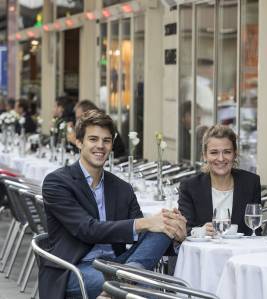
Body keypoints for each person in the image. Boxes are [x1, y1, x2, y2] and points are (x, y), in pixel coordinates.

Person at [41, 110, 187, 299]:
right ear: (79, 142)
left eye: (106, 140)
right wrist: (146, 223)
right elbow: (87, 229)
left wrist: (175, 235)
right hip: (75, 269)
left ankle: (127, 278)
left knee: (162, 227)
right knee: (146, 292)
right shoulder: (57, 182)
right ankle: (128, 280)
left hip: (119, 263)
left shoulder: (121, 188)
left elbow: (141, 240)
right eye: (93, 139)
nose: (100, 146)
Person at [178, 124, 261, 236]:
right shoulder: (190, 186)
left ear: (235, 154)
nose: (221, 158)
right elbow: (184, 229)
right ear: (205, 156)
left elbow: (255, 230)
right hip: (204, 251)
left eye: (227, 152)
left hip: (241, 251)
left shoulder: (251, 183)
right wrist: (199, 231)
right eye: (214, 152)